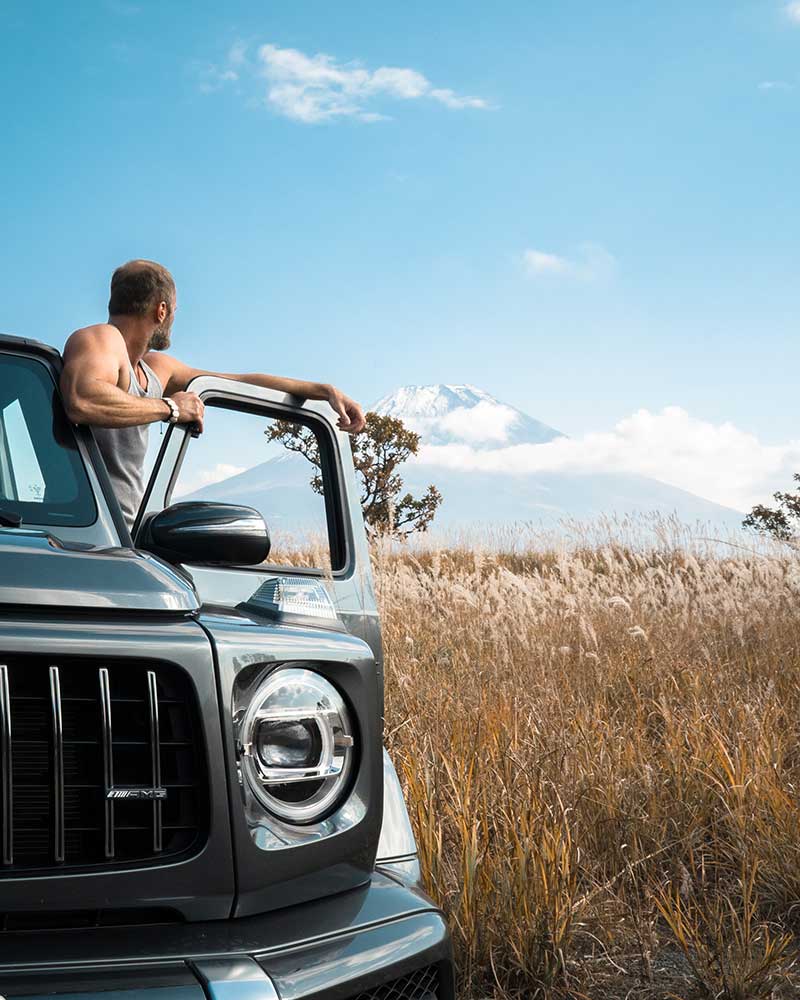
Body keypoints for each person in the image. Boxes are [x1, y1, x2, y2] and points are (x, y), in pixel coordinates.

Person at [61, 259, 366, 527]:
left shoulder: (154, 368)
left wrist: (323, 391)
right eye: (175, 311)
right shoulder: (102, 338)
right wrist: (172, 409)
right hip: (90, 535)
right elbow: (83, 398)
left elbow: (237, 383)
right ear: (162, 310)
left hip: (124, 534)